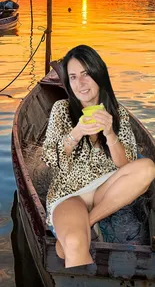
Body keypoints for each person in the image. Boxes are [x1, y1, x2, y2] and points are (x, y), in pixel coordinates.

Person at [42, 44, 155, 268]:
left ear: (98, 74)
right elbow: (50, 158)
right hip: (70, 194)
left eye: (85, 74)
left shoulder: (118, 113)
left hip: (106, 189)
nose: (80, 83)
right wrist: (76, 133)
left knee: (148, 167)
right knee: (74, 242)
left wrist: (110, 133)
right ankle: (81, 229)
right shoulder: (61, 109)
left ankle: (90, 221)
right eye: (73, 77)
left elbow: (127, 165)